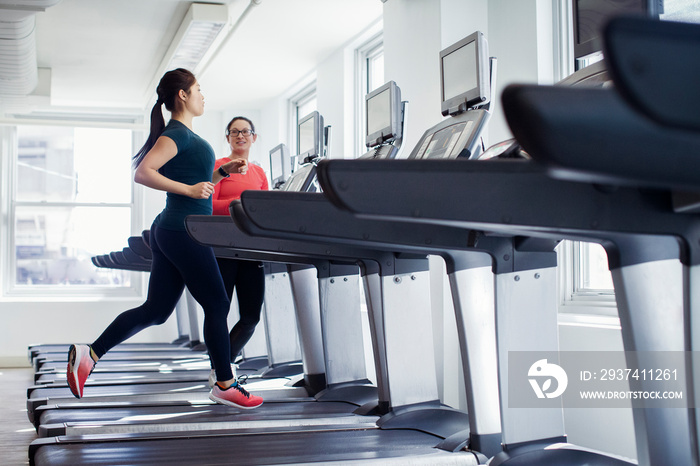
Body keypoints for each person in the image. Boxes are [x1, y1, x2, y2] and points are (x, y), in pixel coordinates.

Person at [66, 68, 263, 409]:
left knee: (156, 310)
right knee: (217, 304)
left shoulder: (183, 135)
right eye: (198, 89)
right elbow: (144, 172)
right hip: (182, 229)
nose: (203, 95)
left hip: (172, 229)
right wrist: (188, 188)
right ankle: (224, 383)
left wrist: (220, 173)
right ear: (183, 95)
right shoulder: (177, 134)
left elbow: (193, 181)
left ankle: (90, 353)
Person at [208, 117, 268, 387]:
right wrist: (237, 203)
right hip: (222, 249)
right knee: (219, 312)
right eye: (234, 132)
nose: (240, 136)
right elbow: (208, 203)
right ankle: (221, 371)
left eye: (245, 131)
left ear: (254, 137)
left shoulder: (259, 173)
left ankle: (223, 363)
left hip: (251, 249)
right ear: (228, 138)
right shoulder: (219, 167)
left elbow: (266, 211)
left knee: (251, 317)